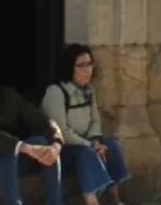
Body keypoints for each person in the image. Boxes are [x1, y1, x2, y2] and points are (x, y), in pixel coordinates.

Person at [40, 44, 131, 205]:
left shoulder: (89, 89)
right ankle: (91, 201)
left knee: (111, 145)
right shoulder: (55, 92)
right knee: (86, 153)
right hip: (63, 149)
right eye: (81, 65)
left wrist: (95, 142)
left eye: (89, 64)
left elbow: (95, 120)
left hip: (85, 142)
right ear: (70, 68)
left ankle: (115, 199)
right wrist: (90, 146)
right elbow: (61, 132)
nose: (87, 70)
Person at [0, 65, 65, 205]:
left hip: (18, 158)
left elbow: (44, 120)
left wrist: (56, 144)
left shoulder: (8, 96)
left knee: (42, 142)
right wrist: (27, 148)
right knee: (9, 151)